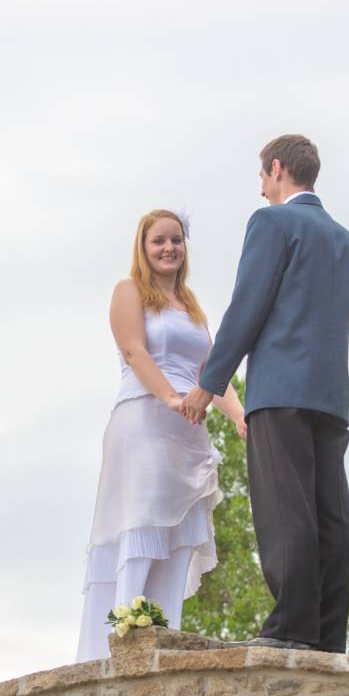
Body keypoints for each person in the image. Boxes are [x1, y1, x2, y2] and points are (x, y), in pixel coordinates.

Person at [181, 135, 349, 653]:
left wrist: (209, 384)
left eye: (262, 177)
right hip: (331, 396)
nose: (261, 189)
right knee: (330, 514)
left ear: (277, 168)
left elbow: (248, 306)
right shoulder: (346, 241)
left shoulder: (272, 223)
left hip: (280, 389)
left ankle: (292, 628)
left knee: (287, 510)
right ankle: (328, 635)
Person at [75, 209, 247, 663]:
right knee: (143, 518)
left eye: (176, 240)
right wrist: (171, 397)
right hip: (145, 419)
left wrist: (238, 416)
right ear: (144, 246)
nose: (169, 248)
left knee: (180, 530)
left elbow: (212, 372)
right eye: (159, 241)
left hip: (187, 432)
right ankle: (123, 631)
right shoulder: (129, 291)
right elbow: (134, 351)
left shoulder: (192, 308)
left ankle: (161, 635)